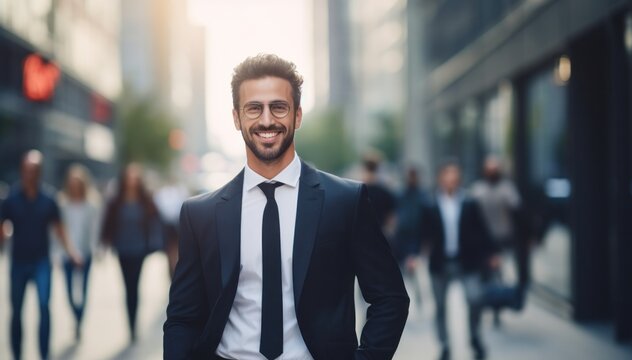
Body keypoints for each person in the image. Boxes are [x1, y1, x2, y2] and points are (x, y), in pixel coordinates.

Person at [164, 54, 409, 360]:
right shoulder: (200, 214)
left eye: (278, 107)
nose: (267, 120)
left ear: (297, 116)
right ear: (237, 118)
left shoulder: (345, 201)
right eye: (254, 108)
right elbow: (183, 317)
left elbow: (390, 298)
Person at [0, 150, 83, 360]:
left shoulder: (49, 199)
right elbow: (3, 227)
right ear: (22, 171)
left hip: (41, 262)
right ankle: (17, 354)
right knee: (16, 311)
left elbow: (59, 230)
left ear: (40, 172)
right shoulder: (11, 197)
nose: (30, 174)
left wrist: (71, 252)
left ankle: (44, 354)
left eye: (34, 170)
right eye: (27, 170)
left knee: (44, 307)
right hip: (18, 262)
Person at [425, 160, 499, 360]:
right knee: (440, 306)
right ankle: (445, 344)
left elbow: (482, 230)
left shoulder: (470, 202)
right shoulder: (431, 204)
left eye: (455, 177)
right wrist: (414, 255)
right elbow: (421, 233)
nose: (451, 181)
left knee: (475, 298)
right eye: (447, 177)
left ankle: (474, 337)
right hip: (440, 263)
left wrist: (492, 253)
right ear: (441, 179)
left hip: (466, 261)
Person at [101, 163, 163, 342]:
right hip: (122, 248)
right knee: (127, 286)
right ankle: (130, 323)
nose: (132, 181)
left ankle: (134, 326)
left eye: (135, 178)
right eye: (129, 177)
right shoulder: (116, 200)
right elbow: (108, 223)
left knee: (135, 286)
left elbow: (157, 219)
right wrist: (104, 243)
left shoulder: (145, 199)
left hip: (139, 249)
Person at [470, 155, 522, 326]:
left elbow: (517, 210)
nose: (492, 172)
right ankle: (487, 304)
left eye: (495, 169)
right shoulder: (477, 190)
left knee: (498, 275)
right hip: (481, 241)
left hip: (501, 239)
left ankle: (496, 309)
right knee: (483, 276)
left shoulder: (507, 189)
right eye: (489, 169)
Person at [58, 164, 102, 340]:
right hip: (66, 254)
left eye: (78, 182)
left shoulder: (91, 205)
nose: (74, 185)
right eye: (72, 182)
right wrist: (58, 252)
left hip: (85, 254)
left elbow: (94, 230)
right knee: (69, 292)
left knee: (82, 291)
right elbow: (58, 231)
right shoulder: (62, 203)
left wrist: (93, 250)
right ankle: (76, 317)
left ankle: (79, 323)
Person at [393, 167, 430, 308]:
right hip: (402, 239)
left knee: (414, 271)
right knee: (402, 273)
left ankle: (419, 300)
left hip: (416, 238)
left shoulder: (422, 196)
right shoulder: (401, 194)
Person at [360, 151, 397, 236]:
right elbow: (391, 220)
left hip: (363, 234)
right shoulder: (385, 191)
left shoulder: (359, 191)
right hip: (381, 234)